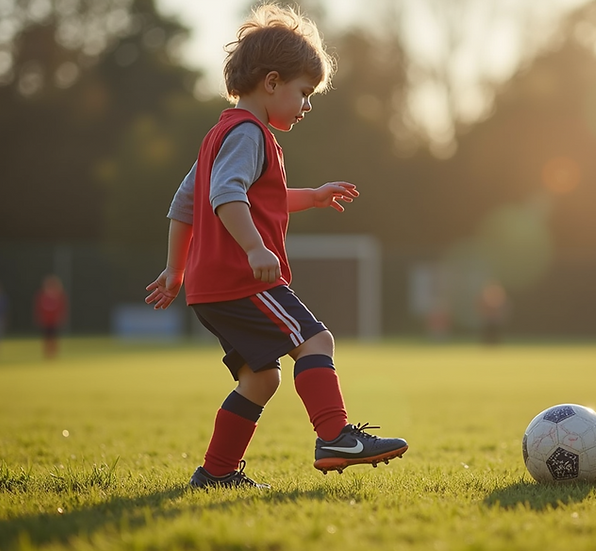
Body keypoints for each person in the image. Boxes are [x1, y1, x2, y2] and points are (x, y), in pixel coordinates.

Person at [145, 3, 407, 490]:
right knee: (317, 340)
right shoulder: (249, 133)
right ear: (271, 82)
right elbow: (226, 196)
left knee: (262, 379)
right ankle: (334, 437)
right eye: (303, 93)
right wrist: (254, 248)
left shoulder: (218, 135)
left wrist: (175, 269)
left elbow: (186, 203)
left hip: (210, 289)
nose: (306, 105)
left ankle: (216, 473)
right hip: (242, 278)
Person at [34, 275, 68, 359]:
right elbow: (38, 308)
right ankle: (47, 353)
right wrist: (38, 318)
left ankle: (53, 353)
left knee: (54, 337)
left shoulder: (59, 295)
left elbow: (62, 308)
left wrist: (61, 318)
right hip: (46, 320)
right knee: (46, 337)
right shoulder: (42, 295)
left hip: (55, 320)